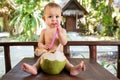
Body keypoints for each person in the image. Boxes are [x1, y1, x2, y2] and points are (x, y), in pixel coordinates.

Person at [21, 2, 86, 76]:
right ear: (44, 18)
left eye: (57, 16)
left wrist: (59, 33)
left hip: (59, 55)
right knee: (40, 60)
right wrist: (43, 46)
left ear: (61, 18)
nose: (54, 19)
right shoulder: (44, 31)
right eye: (50, 16)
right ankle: (34, 68)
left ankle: (72, 69)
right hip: (47, 55)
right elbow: (39, 43)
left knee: (66, 61)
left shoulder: (62, 31)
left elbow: (64, 42)